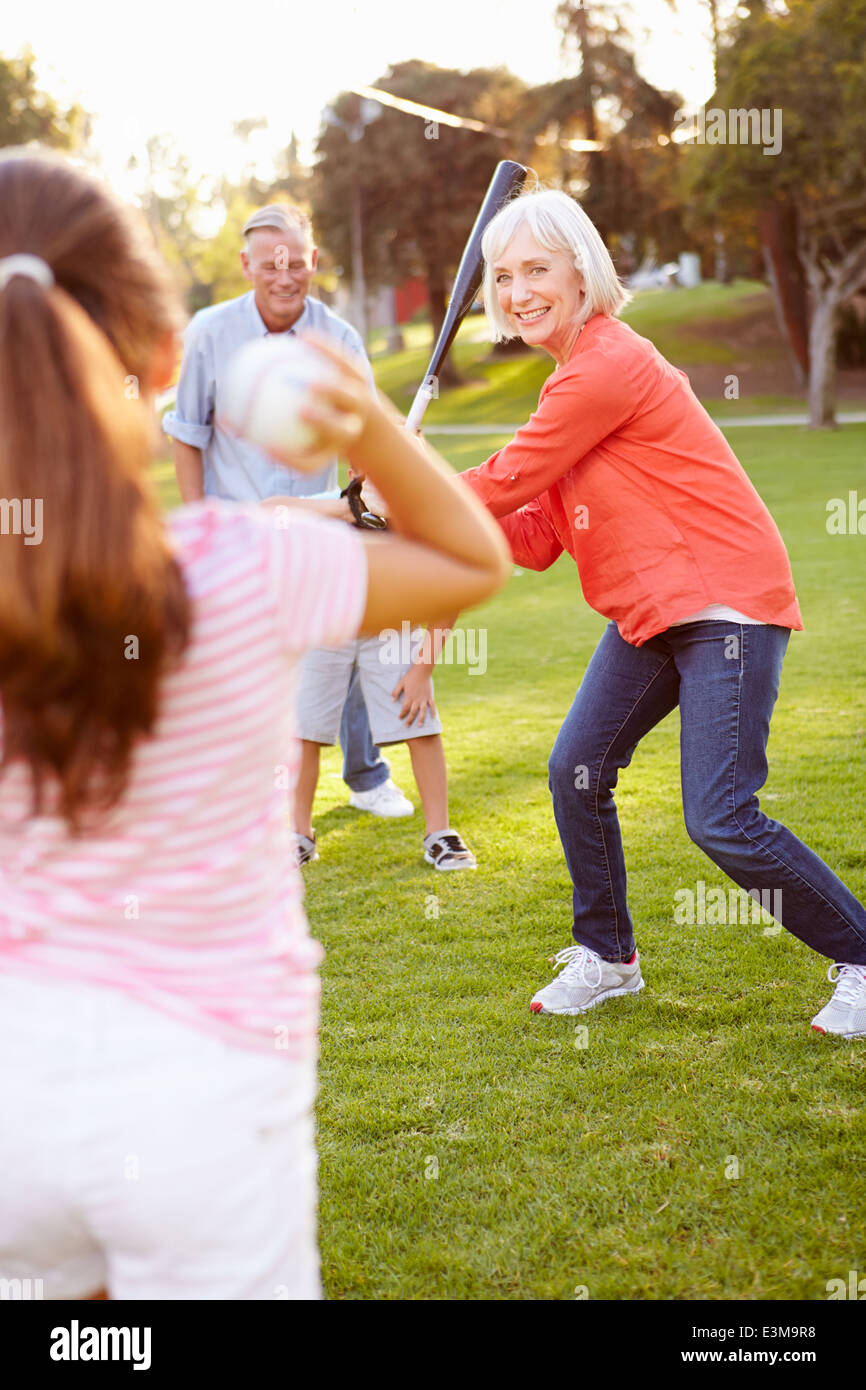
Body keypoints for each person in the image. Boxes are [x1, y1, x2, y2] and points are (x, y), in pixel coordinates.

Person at [0, 148, 510, 1300]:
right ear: (151, 356)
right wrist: (365, 417)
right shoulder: (239, 564)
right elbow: (465, 559)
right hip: (205, 1105)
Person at [458, 186, 866, 1039]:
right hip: (651, 616)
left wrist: (404, 489)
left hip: (724, 605)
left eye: (537, 268)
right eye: (503, 276)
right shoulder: (567, 385)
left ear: (583, 270)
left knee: (719, 814)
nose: (519, 289)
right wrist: (422, 524)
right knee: (576, 767)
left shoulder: (608, 362)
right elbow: (531, 534)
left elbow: (502, 480)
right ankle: (607, 957)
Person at [163, 203, 413, 821]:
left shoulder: (340, 340)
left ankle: (365, 774)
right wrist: (201, 530)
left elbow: (366, 444)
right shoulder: (209, 334)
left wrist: (364, 497)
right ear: (247, 265)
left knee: (342, 649)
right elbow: (186, 434)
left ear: (314, 264)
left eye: (296, 263)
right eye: (270, 264)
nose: (284, 276)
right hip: (234, 533)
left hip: (313, 532)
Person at [291, 470, 477, 872]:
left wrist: (422, 671)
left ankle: (439, 834)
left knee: (420, 722)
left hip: (392, 628)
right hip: (326, 627)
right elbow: (267, 513)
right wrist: (348, 508)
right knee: (303, 730)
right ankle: (298, 835)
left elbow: (449, 595)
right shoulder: (332, 507)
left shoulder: (422, 520)